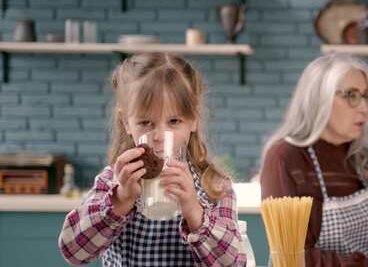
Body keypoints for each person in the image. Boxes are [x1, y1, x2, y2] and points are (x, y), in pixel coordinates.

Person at [58, 53, 246, 266]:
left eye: (174, 121)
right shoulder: (113, 181)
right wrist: (120, 200)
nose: (158, 136)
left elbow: (235, 263)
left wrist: (194, 211)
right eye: (146, 122)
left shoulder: (215, 186)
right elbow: (72, 251)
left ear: (193, 120)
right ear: (126, 122)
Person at [260, 53, 368, 267]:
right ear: (318, 99)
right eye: (351, 95)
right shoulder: (285, 158)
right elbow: (292, 257)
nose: (364, 108)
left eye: (366, 96)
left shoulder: (367, 161)